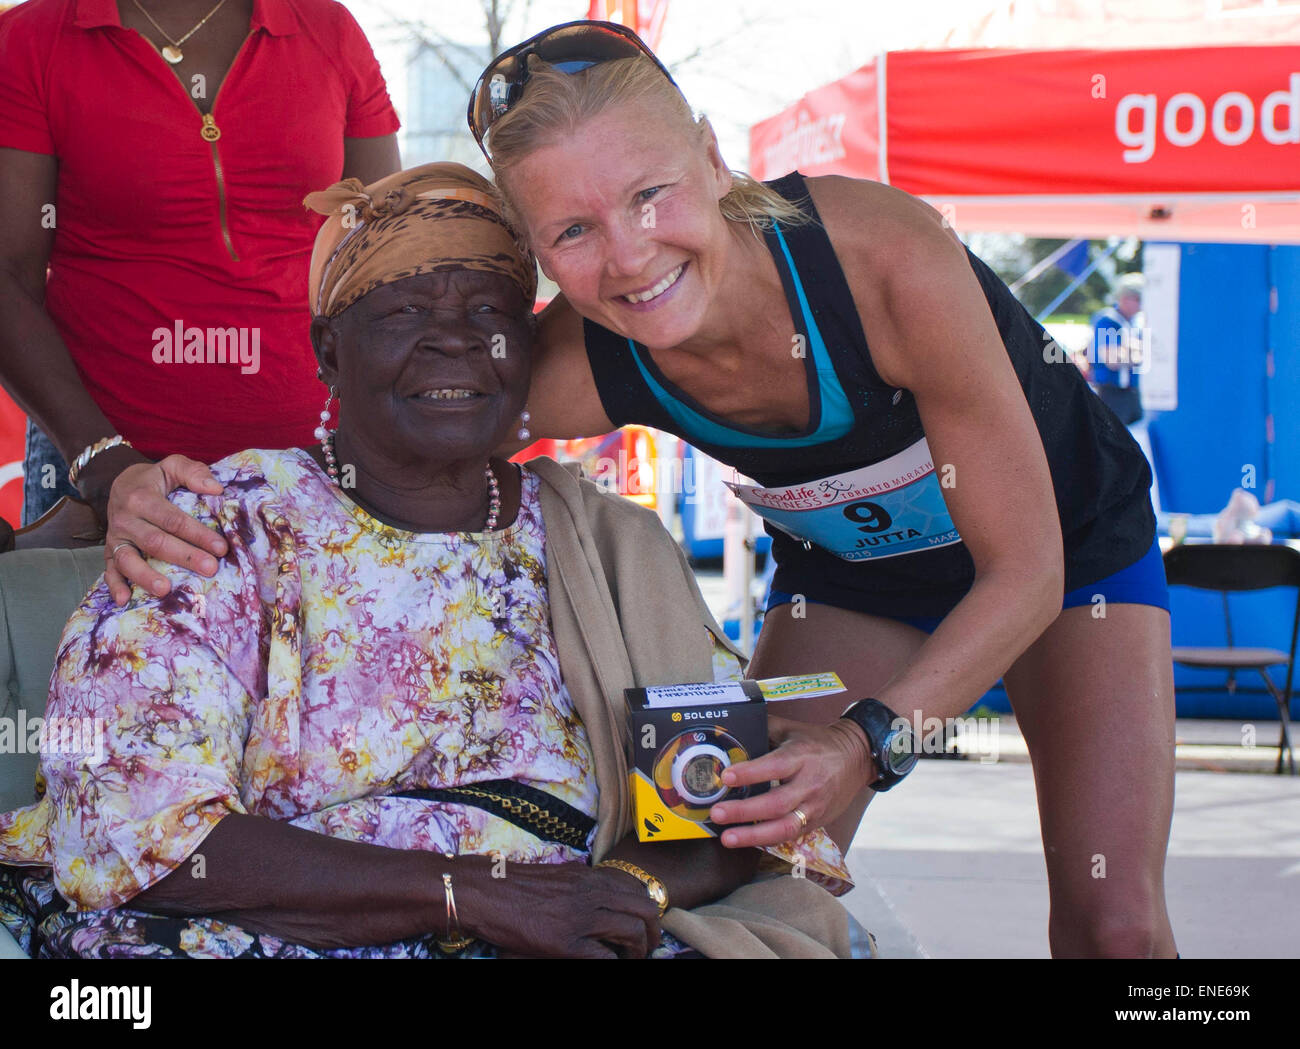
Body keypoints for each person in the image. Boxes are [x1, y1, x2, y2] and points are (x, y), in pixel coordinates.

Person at [101, 22, 1177, 958]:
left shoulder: (883, 257)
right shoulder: (576, 361)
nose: (628, 258)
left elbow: (1023, 570)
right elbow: (397, 418)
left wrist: (866, 743)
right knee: (761, 863)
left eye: (650, 193)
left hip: (1062, 553)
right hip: (852, 577)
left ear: (710, 157)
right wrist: (159, 488)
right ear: (539, 255)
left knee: (1111, 922)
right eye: (571, 232)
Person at [0, 163, 855, 959]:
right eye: (405, 311)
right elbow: (144, 833)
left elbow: (724, 805)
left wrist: (609, 892)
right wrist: (476, 896)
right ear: (330, 350)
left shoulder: (601, 543)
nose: (454, 341)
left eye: (489, 314)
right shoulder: (223, 528)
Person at [0, 0, 401, 525]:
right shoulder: (34, 38)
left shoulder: (326, 27)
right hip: (114, 480)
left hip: (320, 473)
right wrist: (101, 462)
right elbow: (8, 274)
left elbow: (382, 254)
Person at [1090, 273, 1145, 426]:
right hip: (1113, 393)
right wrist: (1136, 353)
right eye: (1138, 299)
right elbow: (1112, 360)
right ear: (1125, 298)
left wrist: (1131, 351)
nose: (1142, 304)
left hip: (1132, 392)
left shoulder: (1135, 323)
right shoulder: (1108, 320)